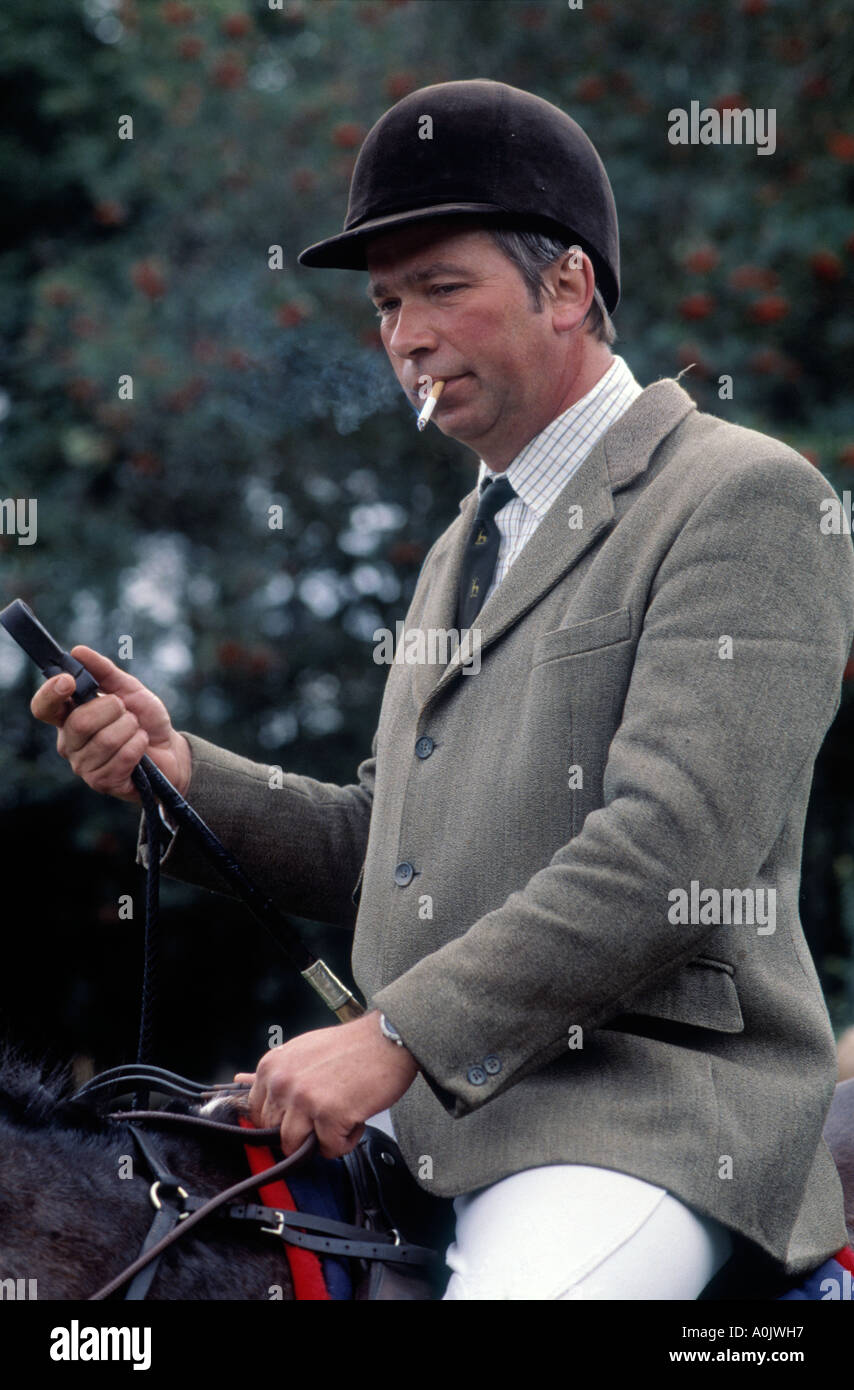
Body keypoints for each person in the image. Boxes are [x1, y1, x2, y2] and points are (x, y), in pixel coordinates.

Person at [31, 80, 854, 1300]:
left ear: (567, 286)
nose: (404, 335)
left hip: (646, 1121)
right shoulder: (459, 545)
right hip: (429, 1124)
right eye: (384, 303)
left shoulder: (742, 496)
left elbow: (674, 848)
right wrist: (185, 774)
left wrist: (393, 1034)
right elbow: (399, 851)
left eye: (440, 287)